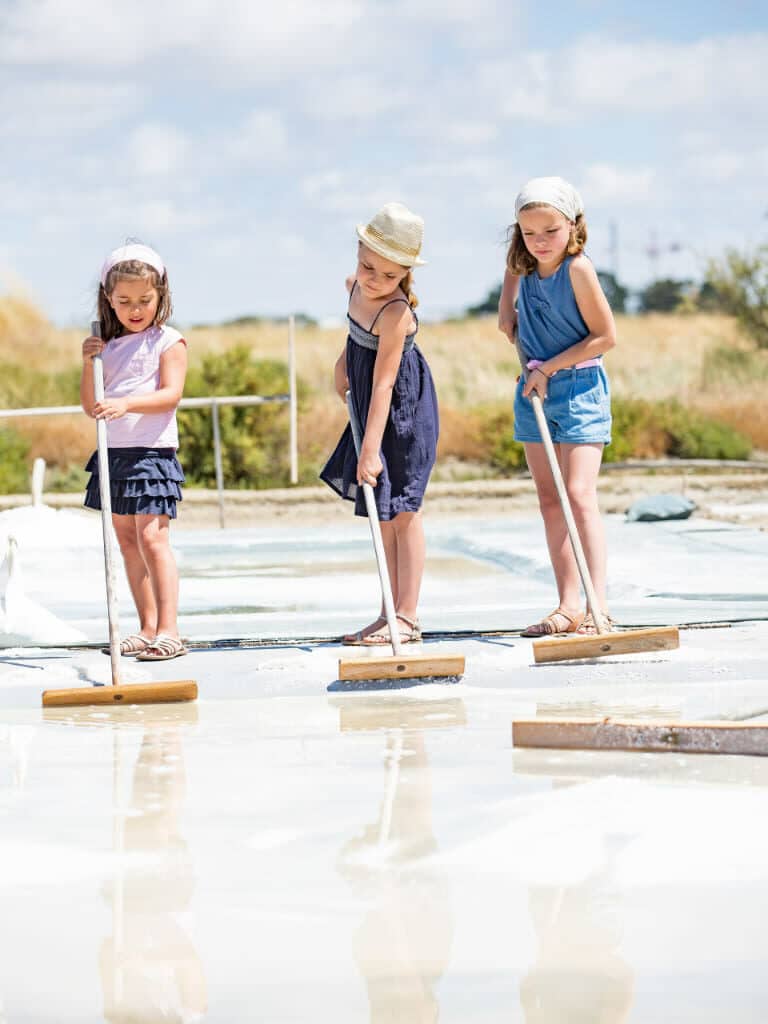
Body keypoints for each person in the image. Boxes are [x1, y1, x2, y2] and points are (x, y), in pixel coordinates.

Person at [497, 177, 616, 636]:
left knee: (579, 495)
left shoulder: (578, 270)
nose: (541, 242)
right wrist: (506, 308)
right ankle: (568, 606)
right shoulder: (524, 266)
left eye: (551, 231)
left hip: (580, 388)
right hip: (533, 393)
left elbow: (606, 337)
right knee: (550, 500)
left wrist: (548, 367)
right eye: (529, 233)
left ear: (572, 225)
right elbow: (512, 279)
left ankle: (597, 605)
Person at [320, 203, 439, 645]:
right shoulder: (354, 288)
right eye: (368, 266)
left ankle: (407, 616)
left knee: (404, 511)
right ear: (358, 251)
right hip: (369, 401)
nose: (374, 280)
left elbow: (387, 383)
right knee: (383, 513)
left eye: (389, 276)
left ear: (405, 274)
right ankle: (387, 609)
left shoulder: (396, 313)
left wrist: (370, 450)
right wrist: (341, 364)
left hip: (402, 411)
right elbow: (355, 337)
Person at [80, 243, 188, 661]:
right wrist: (87, 362)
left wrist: (127, 404)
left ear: (161, 293)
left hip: (152, 452)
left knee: (152, 537)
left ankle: (169, 630)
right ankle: (145, 628)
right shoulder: (104, 344)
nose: (135, 308)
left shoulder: (169, 341)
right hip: (114, 452)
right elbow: (92, 406)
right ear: (108, 297)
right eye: (124, 301)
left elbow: (170, 395)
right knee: (126, 538)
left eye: (144, 300)